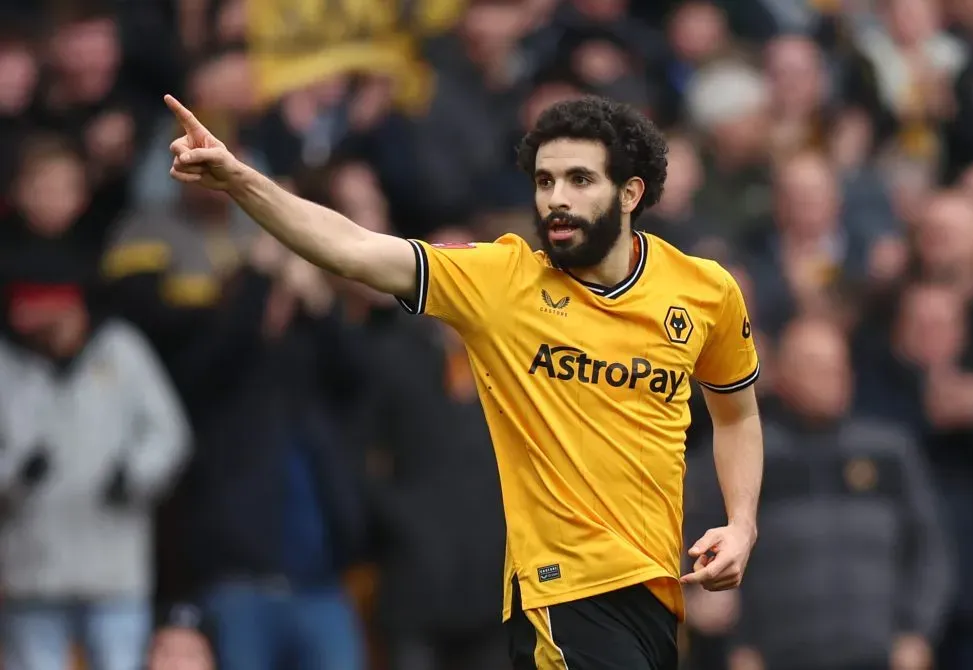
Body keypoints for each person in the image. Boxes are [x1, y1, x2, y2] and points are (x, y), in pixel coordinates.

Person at [163, 93, 764, 670]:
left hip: (655, 590)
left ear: (630, 192)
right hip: (561, 591)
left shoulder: (704, 291)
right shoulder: (503, 283)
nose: (555, 198)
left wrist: (742, 523)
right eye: (545, 180)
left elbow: (736, 412)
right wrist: (242, 180)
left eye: (579, 180)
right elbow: (352, 249)